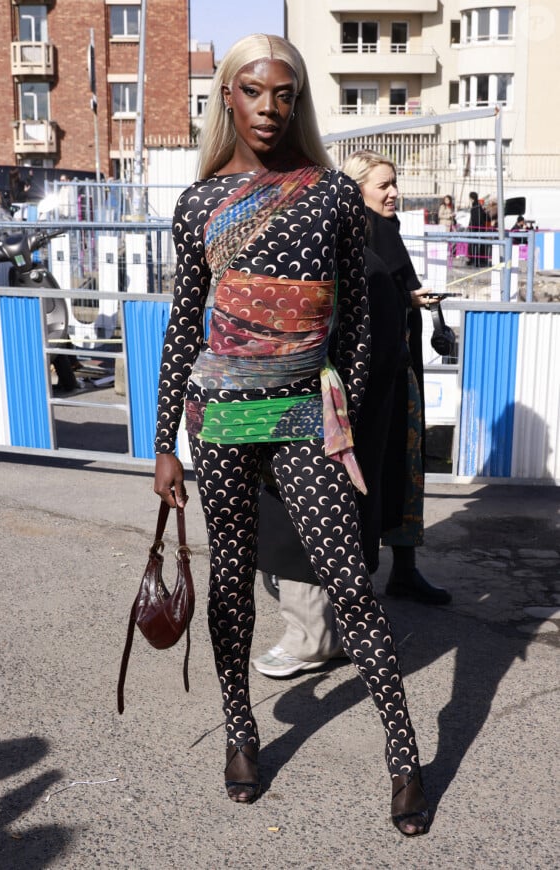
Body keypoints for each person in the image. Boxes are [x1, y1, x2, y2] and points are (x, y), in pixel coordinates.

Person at [153, 33, 429, 835]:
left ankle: (404, 758)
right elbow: (182, 327)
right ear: (227, 99)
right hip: (224, 416)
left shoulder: (335, 197)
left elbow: (357, 324)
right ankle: (242, 734)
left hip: (305, 412)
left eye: (284, 94)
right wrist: (164, 443)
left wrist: (342, 409)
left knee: (350, 578)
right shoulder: (199, 204)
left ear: (298, 102)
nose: (269, 108)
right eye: (252, 91)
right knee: (233, 578)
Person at [253, 150, 451, 678]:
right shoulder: (345, 249)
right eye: (382, 184)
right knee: (319, 514)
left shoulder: (368, 250)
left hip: (349, 400)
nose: (393, 195)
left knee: (338, 509)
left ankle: (321, 634)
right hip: (329, 399)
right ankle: (325, 631)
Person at [467, 191, 488, 267]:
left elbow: (475, 218)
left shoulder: (475, 207)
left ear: (471, 198)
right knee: (478, 244)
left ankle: (475, 260)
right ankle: (477, 260)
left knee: (474, 244)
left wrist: (472, 226)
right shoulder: (478, 206)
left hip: (476, 228)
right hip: (479, 228)